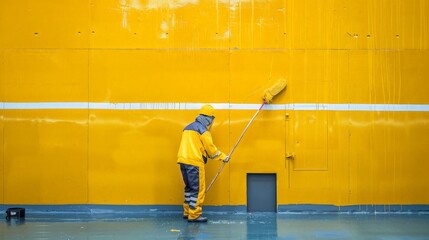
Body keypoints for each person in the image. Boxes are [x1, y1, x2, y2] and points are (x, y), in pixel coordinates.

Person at [177, 104, 230, 223]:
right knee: (197, 189)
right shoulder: (203, 130)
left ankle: (187, 212)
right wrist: (223, 157)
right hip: (195, 162)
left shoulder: (187, 128)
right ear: (209, 119)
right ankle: (194, 215)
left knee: (189, 188)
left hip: (182, 160)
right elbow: (211, 150)